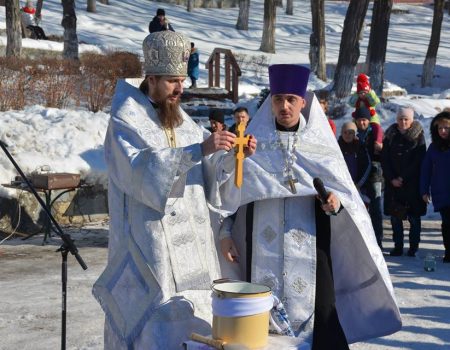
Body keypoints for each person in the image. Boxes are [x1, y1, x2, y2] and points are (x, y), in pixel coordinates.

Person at [92, 30, 256, 350]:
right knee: (152, 335)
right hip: (149, 255)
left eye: (182, 80)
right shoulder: (126, 121)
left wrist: (230, 157)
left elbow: (206, 180)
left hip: (189, 258)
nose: (180, 88)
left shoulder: (183, 122)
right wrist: (198, 151)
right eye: (171, 81)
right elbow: (139, 172)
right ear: (151, 78)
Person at [220, 64, 401, 349]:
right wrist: (225, 233)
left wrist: (335, 202)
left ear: (303, 102)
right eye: (278, 99)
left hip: (315, 252)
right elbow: (227, 197)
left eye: (291, 99)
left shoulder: (321, 146)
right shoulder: (252, 145)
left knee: (323, 322)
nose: (285, 106)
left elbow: (345, 197)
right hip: (260, 252)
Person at [381, 106, 426, 257]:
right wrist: (392, 178)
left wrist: (402, 178)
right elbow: (384, 159)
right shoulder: (390, 136)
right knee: (395, 218)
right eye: (401, 119)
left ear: (411, 120)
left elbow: (418, 160)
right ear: (397, 120)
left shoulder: (418, 136)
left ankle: (413, 248)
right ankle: (398, 246)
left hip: (412, 184)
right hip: (393, 185)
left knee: (414, 218)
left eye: (406, 119)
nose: (403, 122)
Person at [420, 111, 450, 262]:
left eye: (446, 127)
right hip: (441, 192)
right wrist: (424, 190)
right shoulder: (434, 147)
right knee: (447, 224)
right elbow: (426, 170)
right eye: (440, 128)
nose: (443, 131)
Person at [354, 106, 384, 248]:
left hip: (375, 177)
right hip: (361, 178)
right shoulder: (355, 135)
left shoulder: (374, 134)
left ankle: (378, 240)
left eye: (364, 120)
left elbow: (381, 154)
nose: (362, 123)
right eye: (359, 120)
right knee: (361, 211)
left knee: (376, 210)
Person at [338, 121, 371, 205]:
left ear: (355, 134)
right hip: (343, 186)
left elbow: (367, 166)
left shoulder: (360, 147)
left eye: (350, 133)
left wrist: (358, 184)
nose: (347, 135)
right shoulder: (337, 147)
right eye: (345, 132)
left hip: (359, 187)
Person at [349, 74, 383, 149]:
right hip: (359, 116)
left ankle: (378, 141)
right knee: (351, 126)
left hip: (371, 115)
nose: (363, 95)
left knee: (377, 127)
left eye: (364, 93)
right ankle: (351, 139)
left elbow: (375, 101)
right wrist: (356, 95)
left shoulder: (370, 97)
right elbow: (351, 103)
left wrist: (370, 93)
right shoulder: (357, 98)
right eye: (361, 93)